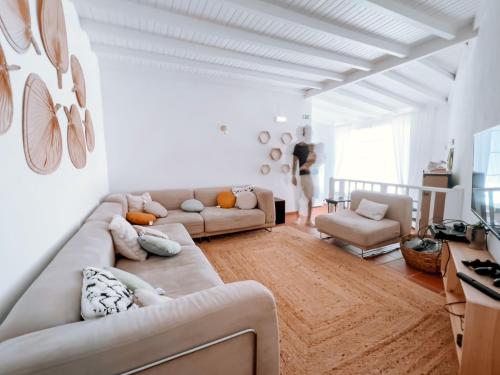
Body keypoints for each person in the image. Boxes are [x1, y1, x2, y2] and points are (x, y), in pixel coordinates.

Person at [292, 126, 316, 226]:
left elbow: (314, 161)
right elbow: (294, 162)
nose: (309, 135)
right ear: (303, 133)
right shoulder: (298, 146)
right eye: (307, 132)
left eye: (311, 132)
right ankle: (298, 218)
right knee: (297, 197)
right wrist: (292, 175)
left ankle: (308, 220)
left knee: (310, 198)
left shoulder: (311, 146)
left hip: (309, 175)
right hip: (300, 175)